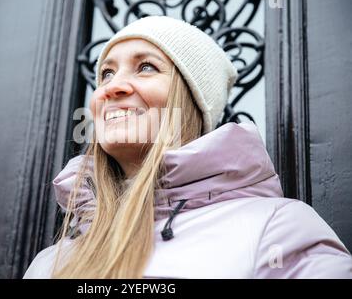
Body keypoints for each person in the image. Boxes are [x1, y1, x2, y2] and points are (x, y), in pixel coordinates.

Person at [23, 16, 352, 279]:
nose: (112, 87)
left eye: (146, 67)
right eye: (107, 73)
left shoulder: (276, 228)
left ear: (193, 101)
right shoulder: (50, 263)